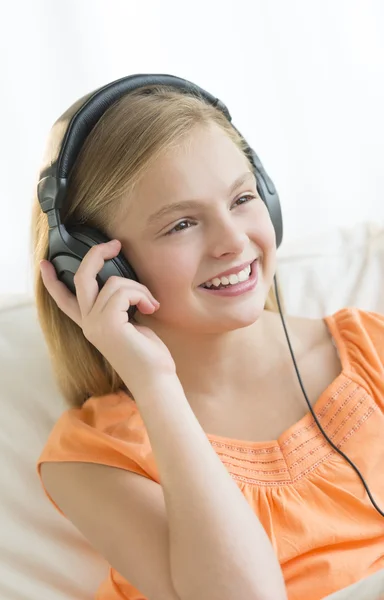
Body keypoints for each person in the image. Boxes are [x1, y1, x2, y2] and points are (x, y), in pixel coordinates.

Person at [32, 80, 384, 600]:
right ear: (100, 267)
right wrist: (154, 384)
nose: (234, 241)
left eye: (243, 198)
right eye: (181, 224)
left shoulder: (371, 350)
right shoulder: (95, 456)